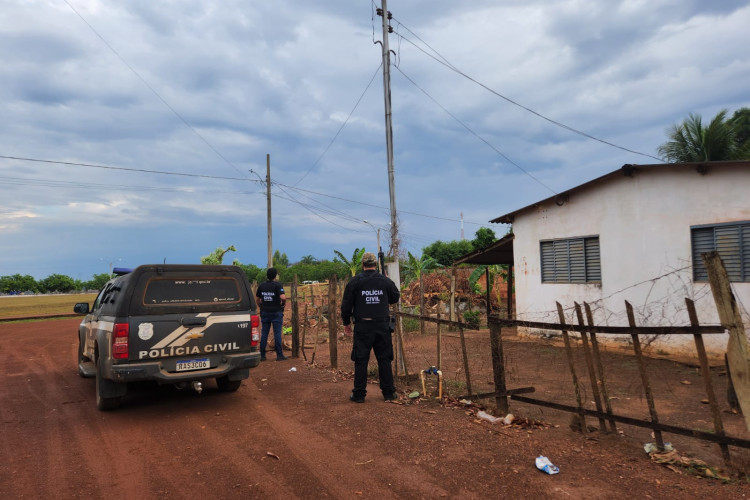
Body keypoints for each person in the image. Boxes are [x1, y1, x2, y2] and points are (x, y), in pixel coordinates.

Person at [340, 252, 400, 403]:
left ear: (363, 265)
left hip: (363, 326)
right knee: (384, 359)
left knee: (361, 360)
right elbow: (395, 297)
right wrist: (386, 280)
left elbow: (346, 305)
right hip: (382, 326)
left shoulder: (355, 281)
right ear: (375, 264)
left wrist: (346, 323)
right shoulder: (384, 281)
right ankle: (389, 393)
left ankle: (359, 394)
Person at [256, 267, 287, 361]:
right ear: (275, 276)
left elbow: (257, 299)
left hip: (265, 312)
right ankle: (279, 355)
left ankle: (262, 355)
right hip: (276, 312)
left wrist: (261, 306)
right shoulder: (277, 285)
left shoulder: (262, 285)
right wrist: (282, 306)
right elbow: (283, 297)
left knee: (264, 333)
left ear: (267, 275)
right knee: (277, 333)